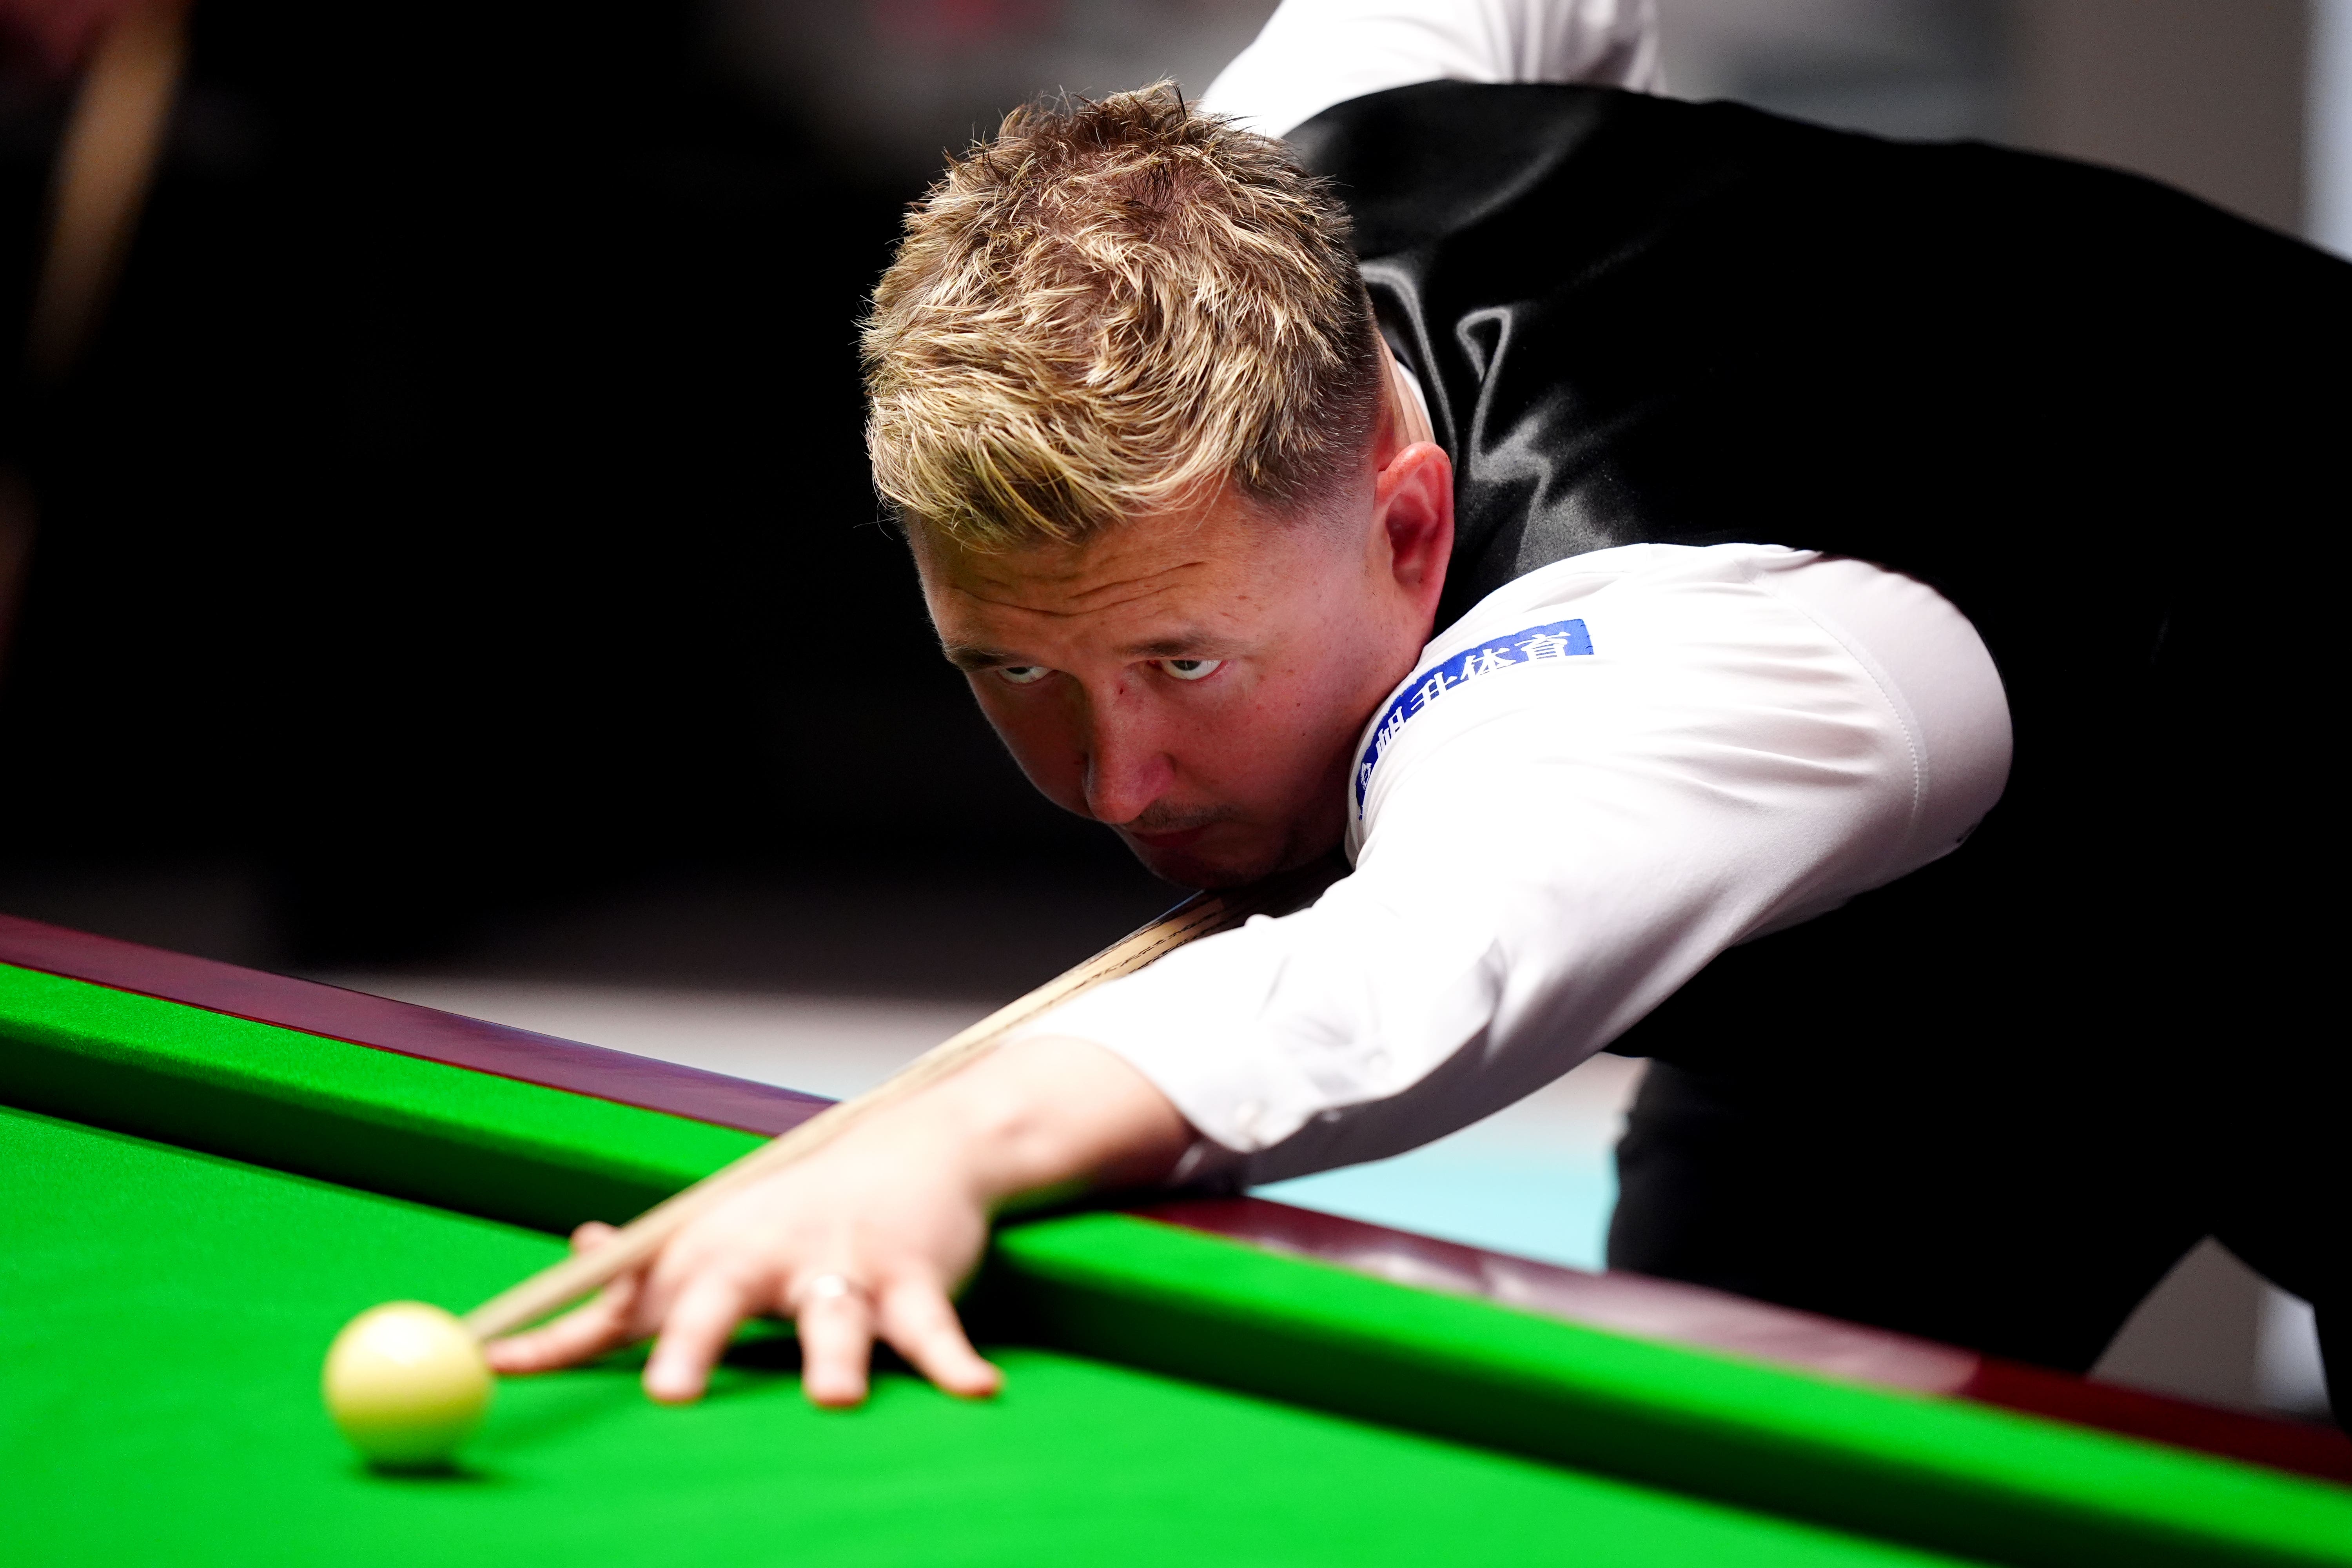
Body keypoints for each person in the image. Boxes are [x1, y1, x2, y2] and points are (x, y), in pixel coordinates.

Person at [491, 0, 2349, 1417]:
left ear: (1408, 520)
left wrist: (945, 1137)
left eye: (1184, 667)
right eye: (1016, 675)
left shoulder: (1671, 654)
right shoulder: (1228, 206)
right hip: (1880, 972)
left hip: (2293, 851)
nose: (1115, 779)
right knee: (1701, 1487)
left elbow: (1391, 981)